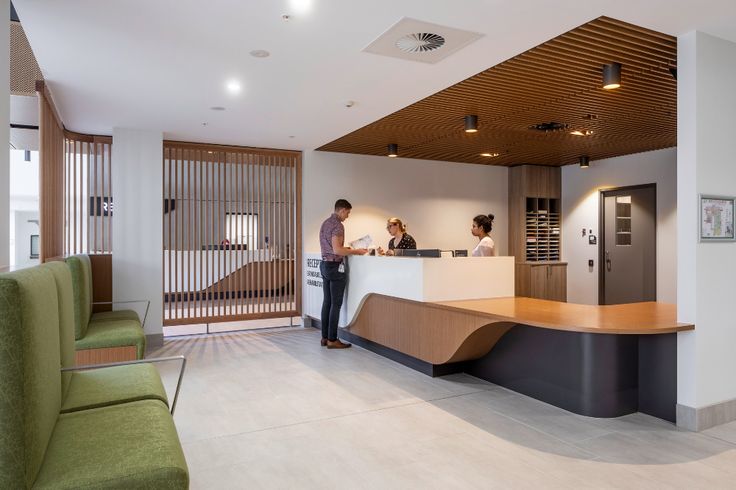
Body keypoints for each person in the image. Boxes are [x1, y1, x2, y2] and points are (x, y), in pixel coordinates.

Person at [319, 199, 368, 349]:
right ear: (342, 210)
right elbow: (337, 250)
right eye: (348, 212)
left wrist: (345, 248)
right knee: (335, 304)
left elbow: (333, 247)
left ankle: (325, 337)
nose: (348, 216)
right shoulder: (338, 226)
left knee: (327, 302)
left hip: (325, 265)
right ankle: (333, 340)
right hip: (335, 267)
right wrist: (356, 251)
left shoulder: (326, 223)